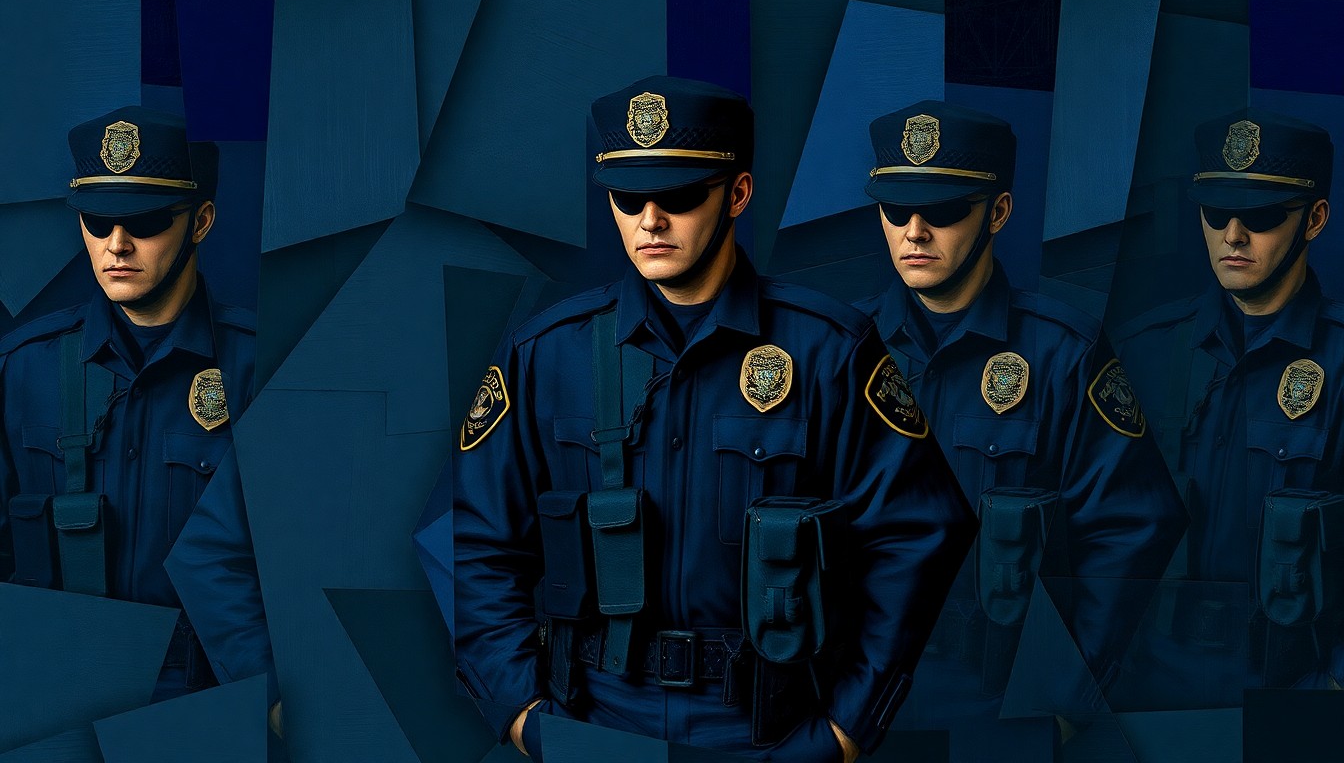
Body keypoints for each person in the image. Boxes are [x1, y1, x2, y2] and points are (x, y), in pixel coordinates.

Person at [424, 76, 977, 761]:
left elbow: (918, 532)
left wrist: (845, 731)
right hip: (591, 719)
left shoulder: (829, 349)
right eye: (629, 198)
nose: (651, 219)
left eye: (680, 196)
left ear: (736, 194)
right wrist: (522, 714)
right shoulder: (547, 353)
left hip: (767, 727)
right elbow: (475, 540)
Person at [855, 100, 1187, 760]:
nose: (914, 232)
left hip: (999, 703)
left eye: (944, 210)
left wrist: (1062, 697)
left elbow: (1134, 525)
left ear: (997, 213)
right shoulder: (841, 350)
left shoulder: (1063, 354)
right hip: (862, 699)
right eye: (896, 210)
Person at [0, 106, 274, 707]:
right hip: (53, 698)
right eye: (97, 221)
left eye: (145, 221)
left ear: (201, 221)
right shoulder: (24, 368)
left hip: (207, 704)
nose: (116, 245)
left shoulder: (262, 370)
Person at [1116, 108, 1344, 695]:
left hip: (1292, 689)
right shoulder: (1144, 351)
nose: (1233, 236)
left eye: (1262, 216)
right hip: (1144, 685)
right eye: (1217, 213)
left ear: (1315, 218)